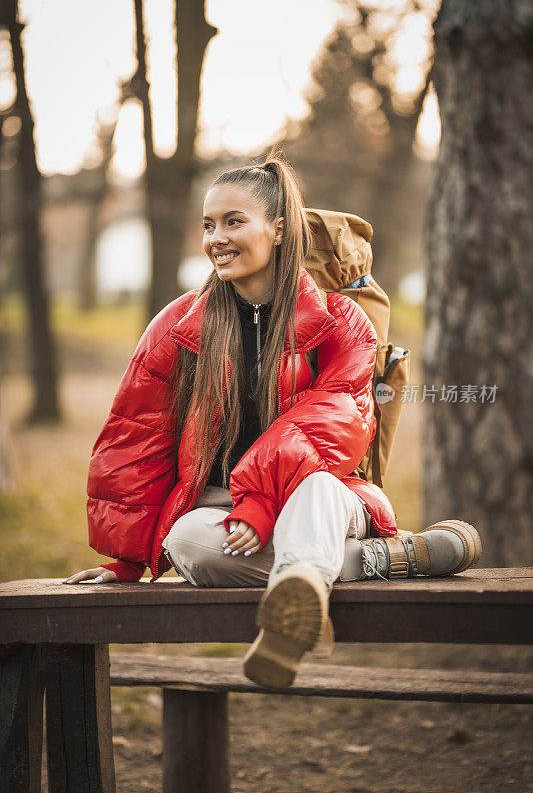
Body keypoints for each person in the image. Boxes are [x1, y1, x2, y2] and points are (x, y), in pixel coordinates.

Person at [62, 153, 482, 690]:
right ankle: (381, 559)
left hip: (327, 491)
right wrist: (126, 560)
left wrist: (262, 501)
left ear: (279, 228)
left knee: (316, 496)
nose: (217, 238)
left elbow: (331, 425)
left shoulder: (340, 321)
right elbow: (137, 437)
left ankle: (293, 611)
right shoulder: (178, 326)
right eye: (209, 225)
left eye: (235, 221)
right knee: (188, 541)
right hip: (229, 509)